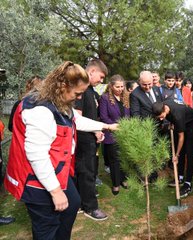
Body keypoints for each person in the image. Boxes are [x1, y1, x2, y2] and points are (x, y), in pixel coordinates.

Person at [4, 61, 117, 239]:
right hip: (36, 179)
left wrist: (106, 126)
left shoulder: (57, 102)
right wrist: (56, 192)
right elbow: (37, 156)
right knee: (46, 225)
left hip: (56, 170)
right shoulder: (41, 111)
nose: (79, 98)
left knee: (72, 204)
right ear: (63, 86)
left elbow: (75, 121)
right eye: (77, 93)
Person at [74, 59, 108, 221]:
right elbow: (78, 118)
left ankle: (80, 203)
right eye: (100, 77)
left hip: (91, 138)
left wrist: (98, 131)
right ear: (91, 72)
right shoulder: (81, 90)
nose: (101, 81)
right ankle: (90, 208)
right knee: (87, 173)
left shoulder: (91, 92)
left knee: (88, 172)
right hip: (83, 139)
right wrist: (96, 130)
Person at [153, 99, 193, 198]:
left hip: (191, 124)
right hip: (180, 122)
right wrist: (171, 122)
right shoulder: (163, 104)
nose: (161, 119)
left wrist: (176, 155)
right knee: (180, 150)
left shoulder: (178, 115)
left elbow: (182, 137)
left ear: (165, 109)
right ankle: (180, 177)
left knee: (189, 153)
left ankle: (188, 184)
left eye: (162, 117)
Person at [99, 74, 130, 195]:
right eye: (118, 87)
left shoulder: (125, 97)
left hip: (125, 134)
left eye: (122, 86)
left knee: (124, 158)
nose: (120, 89)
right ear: (111, 86)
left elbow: (129, 114)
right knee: (114, 160)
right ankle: (116, 184)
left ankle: (124, 179)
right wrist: (117, 127)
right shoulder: (105, 98)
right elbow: (103, 117)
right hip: (112, 134)